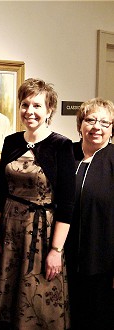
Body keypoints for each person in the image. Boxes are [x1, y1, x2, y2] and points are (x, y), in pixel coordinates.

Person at [0, 78, 76, 329]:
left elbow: (68, 204)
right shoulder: (11, 142)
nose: (30, 112)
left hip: (42, 234)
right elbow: (0, 190)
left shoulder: (61, 145)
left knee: (40, 302)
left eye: (37, 106)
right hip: (10, 231)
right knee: (11, 300)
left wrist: (56, 251)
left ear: (49, 110)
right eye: (25, 105)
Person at [65, 98, 114, 330]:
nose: (97, 127)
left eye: (105, 122)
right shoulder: (67, 155)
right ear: (80, 124)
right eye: (91, 120)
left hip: (102, 262)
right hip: (64, 258)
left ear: (112, 128)